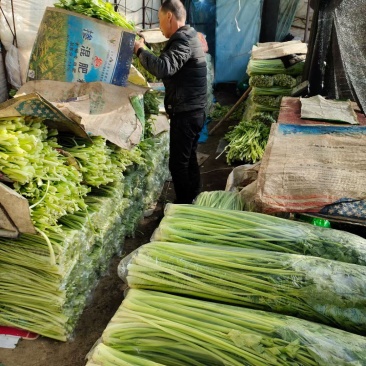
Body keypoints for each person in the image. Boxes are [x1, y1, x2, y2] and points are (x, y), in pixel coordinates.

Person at [134, 0, 207, 204]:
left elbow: (163, 68)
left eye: (159, 20)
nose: (159, 26)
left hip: (187, 113)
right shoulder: (188, 36)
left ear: (169, 17)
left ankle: (183, 207)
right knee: (189, 157)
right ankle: (194, 197)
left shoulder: (182, 40)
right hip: (193, 110)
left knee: (178, 164)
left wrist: (140, 50)